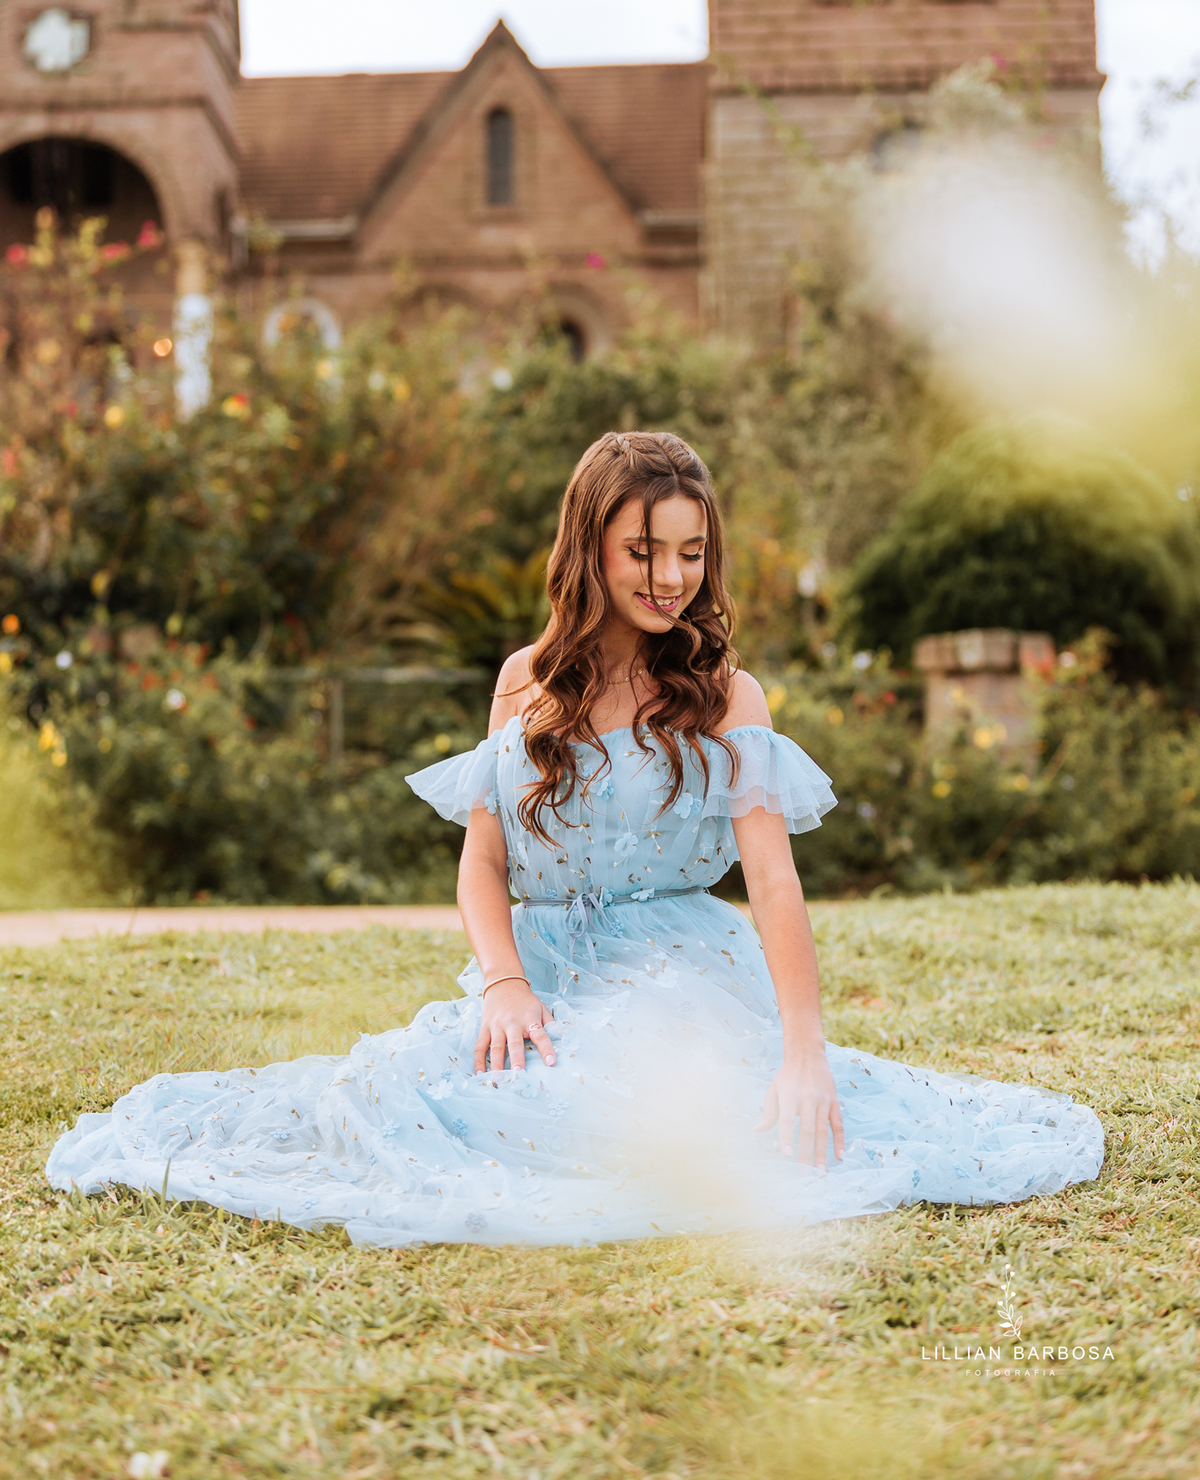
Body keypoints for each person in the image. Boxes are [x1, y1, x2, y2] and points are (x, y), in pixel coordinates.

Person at [46, 431, 1104, 1244]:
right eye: (644, 549)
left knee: (644, 1105)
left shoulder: (730, 696)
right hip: (542, 963)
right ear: (589, 545)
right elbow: (483, 863)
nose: (671, 575)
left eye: (691, 552)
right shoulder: (524, 681)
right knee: (414, 1091)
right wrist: (502, 981)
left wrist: (803, 1055)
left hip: (682, 964)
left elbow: (775, 887)